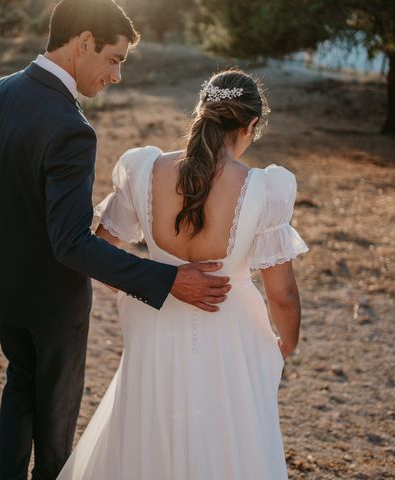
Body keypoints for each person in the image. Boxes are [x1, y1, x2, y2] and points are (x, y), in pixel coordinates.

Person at [0, 1, 231, 478]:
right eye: (114, 59)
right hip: (53, 302)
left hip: (3, 285)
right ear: (83, 41)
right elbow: (71, 243)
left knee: (19, 383)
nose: (116, 77)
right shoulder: (71, 129)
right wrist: (167, 280)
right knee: (56, 420)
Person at [57, 68, 309, 479]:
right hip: (231, 333)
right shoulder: (266, 189)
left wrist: (162, 278)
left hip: (154, 325)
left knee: (150, 427)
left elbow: (101, 257)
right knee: (226, 438)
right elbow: (282, 295)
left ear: (201, 113)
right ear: (251, 125)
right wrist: (286, 343)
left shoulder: (142, 170)